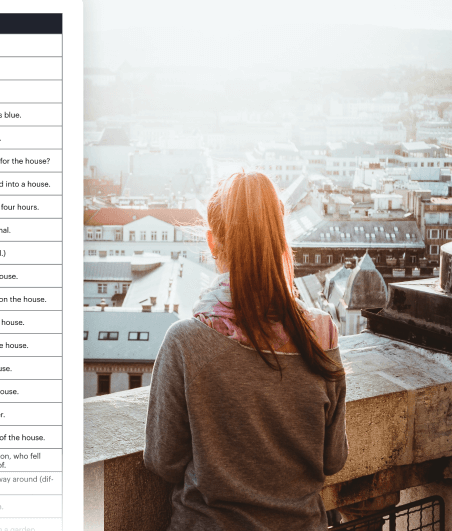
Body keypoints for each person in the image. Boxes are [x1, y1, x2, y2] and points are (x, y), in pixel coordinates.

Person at [143, 171, 348, 531]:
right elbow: (333, 458)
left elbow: (165, 461)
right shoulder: (321, 333)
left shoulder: (186, 342)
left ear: (212, 242)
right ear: (281, 239)